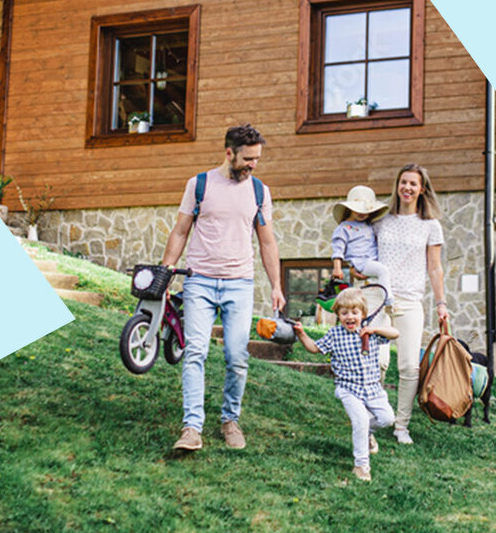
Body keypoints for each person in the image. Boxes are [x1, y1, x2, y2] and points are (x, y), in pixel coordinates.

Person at [161, 124, 285, 452]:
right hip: (200, 280)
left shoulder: (259, 191)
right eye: (247, 158)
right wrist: (166, 272)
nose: (253, 165)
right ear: (228, 153)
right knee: (195, 352)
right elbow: (180, 232)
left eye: (257, 159)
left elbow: (267, 242)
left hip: (240, 284)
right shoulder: (199, 185)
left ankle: (230, 419)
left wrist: (276, 285)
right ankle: (191, 427)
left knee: (236, 355)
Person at [369, 163, 449, 445]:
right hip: (378, 298)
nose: (407, 188)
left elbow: (435, 268)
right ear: (397, 185)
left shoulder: (430, 226)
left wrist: (441, 303)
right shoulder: (380, 220)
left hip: (410, 300)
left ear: (422, 189)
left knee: (408, 367)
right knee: (377, 362)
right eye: (403, 182)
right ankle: (374, 417)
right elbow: (363, 251)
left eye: (413, 184)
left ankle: (401, 425)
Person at [294, 288, 398, 482]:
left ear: (363, 314)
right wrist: (301, 334)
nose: (349, 317)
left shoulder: (370, 333)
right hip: (349, 389)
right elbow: (314, 348)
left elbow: (395, 333)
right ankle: (361, 465)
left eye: (354, 312)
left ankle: (366, 434)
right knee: (360, 420)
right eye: (344, 313)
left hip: (373, 389)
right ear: (338, 315)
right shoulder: (334, 335)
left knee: (387, 418)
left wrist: (374, 330)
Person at [330, 185, 395, 310]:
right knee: (383, 271)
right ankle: (389, 300)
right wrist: (337, 268)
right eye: (358, 210)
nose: (361, 214)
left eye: (365, 211)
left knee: (382, 271)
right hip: (361, 262)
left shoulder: (368, 225)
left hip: (372, 260)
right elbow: (338, 249)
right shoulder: (344, 228)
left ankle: (385, 296)